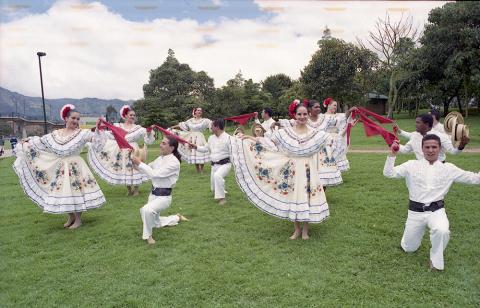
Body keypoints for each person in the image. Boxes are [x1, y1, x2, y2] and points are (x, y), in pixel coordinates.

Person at [230, 101, 343, 240]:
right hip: (293, 169)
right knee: (293, 196)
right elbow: (269, 142)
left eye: (304, 114)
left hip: (308, 170)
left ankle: (305, 230)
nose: (302, 117)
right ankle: (296, 229)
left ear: (308, 115)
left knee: (307, 197)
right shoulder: (286, 133)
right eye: (299, 114)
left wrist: (345, 129)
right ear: (295, 115)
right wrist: (249, 138)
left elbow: (332, 141)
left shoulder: (316, 134)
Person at [383, 134, 480, 270]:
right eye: (427, 147)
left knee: (442, 230)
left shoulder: (449, 168)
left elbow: (475, 178)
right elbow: (389, 173)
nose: (430, 150)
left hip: (436, 211)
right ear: (422, 149)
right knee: (409, 248)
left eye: (434, 147)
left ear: (440, 149)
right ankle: (407, 242)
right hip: (415, 212)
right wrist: (392, 154)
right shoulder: (411, 165)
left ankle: (435, 262)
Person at [13, 104, 106, 229]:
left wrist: (99, 129)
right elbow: (41, 142)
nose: (76, 121)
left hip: (75, 166)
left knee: (76, 191)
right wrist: (27, 141)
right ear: (66, 119)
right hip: (61, 166)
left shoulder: (82, 133)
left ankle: (78, 219)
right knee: (62, 192)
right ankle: (71, 216)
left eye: (78, 119)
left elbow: (96, 141)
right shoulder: (56, 134)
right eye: (73, 118)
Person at [131, 135, 188, 245]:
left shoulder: (174, 162)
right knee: (155, 222)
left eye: (163, 143)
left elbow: (155, 174)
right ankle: (177, 217)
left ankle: (148, 237)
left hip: (164, 198)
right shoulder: (160, 158)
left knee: (146, 210)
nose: (160, 145)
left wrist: (139, 163)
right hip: (153, 195)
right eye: (161, 142)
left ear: (171, 148)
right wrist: (133, 162)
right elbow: (147, 168)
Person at [88, 105, 155, 196]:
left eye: (134, 115)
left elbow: (147, 137)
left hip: (134, 150)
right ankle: (129, 189)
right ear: (125, 116)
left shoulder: (138, 128)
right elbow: (110, 135)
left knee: (135, 169)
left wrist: (149, 131)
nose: (132, 117)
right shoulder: (118, 126)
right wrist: (99, 129)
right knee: (125, 169)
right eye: (131, 115)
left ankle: (136, 190)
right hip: (122, 150)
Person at [190, 119, 231, 205]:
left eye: (212, 126)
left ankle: (222, 199)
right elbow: (205, 149)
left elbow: (234, 152)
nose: (210, 127)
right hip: (214, 165)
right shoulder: (211, 138)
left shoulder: (228, 138)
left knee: (217, 176)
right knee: (213, 188)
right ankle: (221, 190)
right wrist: (195, 147)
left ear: (217, 127)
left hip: (225, 164)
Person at [397, 114, 468, 162]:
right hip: (420, 169)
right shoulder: (414, 136)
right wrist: (393, 143)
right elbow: (405, 150)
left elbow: (454, 152)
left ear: (427, 124)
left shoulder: (441, 137)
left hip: (439, 169)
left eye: (418, 123)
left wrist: (461, 146)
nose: (415, 125)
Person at [171, 107, 212, 173]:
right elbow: (182, 125)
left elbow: (212, 123)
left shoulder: (204, 120)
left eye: (201, 111)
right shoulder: (190, 121)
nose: (200, 111)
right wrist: (173, 127)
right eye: (198, 110)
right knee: (194, 153)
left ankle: (201, 170)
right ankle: (198, 170)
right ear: (195, 112)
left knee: (200, 153)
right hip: (192, 138)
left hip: (200, 137)